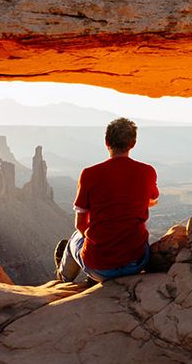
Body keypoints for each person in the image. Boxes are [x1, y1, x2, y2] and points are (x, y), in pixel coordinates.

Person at [55, 117, 158, 283]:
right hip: (136, 263)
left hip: (99, 268)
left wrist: (100, 242)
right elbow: (153, 198)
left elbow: (80, 224)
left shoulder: (89, 174)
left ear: (106, 142)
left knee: (75, 238)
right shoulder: (147, 171)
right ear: (133, 144)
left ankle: (63, 279)